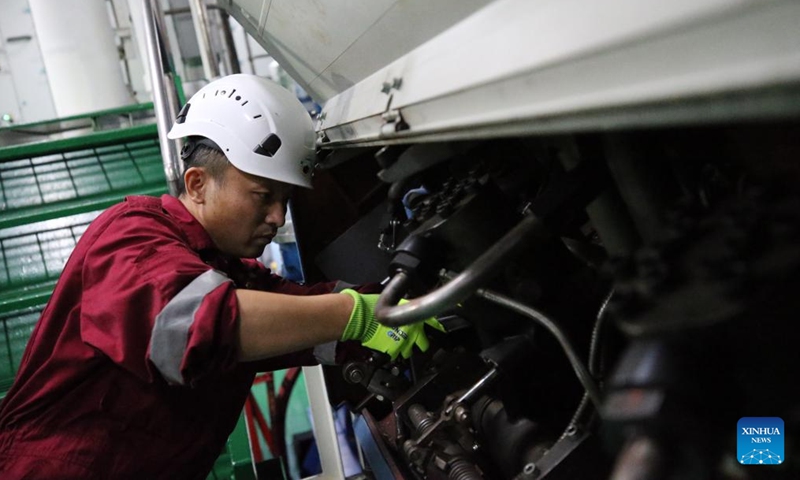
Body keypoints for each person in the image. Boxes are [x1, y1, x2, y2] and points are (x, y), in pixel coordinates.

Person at [0, 74, 439, 479]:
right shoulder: (130, 236)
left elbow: (308, 315)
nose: (276, 217)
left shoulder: (230, 272)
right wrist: (355, 315)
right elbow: (196, 325)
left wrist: (403, 306)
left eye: (285, 200)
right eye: (263, 196)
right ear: (197, 185)